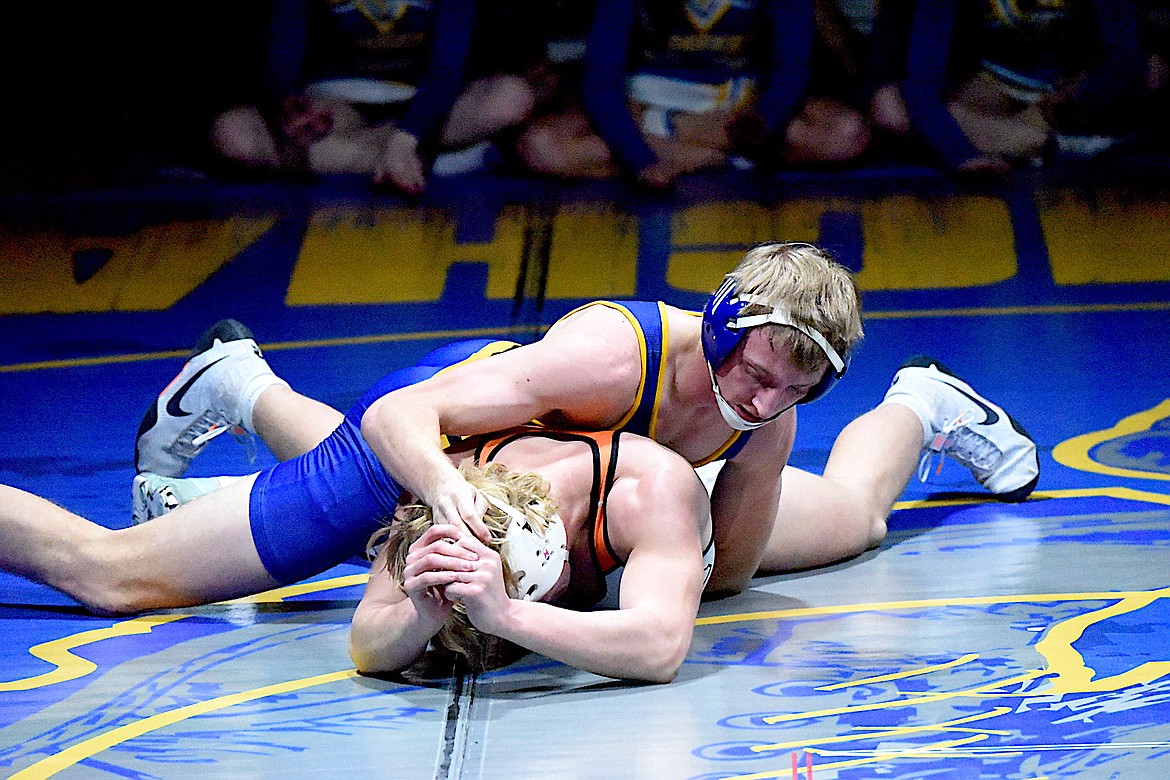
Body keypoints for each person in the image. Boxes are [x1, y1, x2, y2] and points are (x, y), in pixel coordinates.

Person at [135, 242, 1040, 597]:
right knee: (420, 509)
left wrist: (654, 552)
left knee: (852, 519)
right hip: (475, 426)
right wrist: (457, 497)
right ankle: (246, 407)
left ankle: (921, 403)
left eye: (792, 393)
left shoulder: (769, 410)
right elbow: (403, 420)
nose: (763, 402)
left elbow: (727, 580)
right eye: (757, 375)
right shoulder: (615, 356)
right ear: (723, 327)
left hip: (615, 469)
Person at [0, 329, 712, 682]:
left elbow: (658, 643)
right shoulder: (449, 511)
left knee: (825, 521)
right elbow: (370, 642)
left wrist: (506, 613)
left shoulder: (652, 487)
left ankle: (239, 387)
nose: (487, 632)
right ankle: (219, 488)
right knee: (110, 575)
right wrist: (428, 605)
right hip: (413, 434)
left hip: (477, 418)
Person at [515, 0, 870, 187]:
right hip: (647, 101)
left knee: (845, 135)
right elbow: (601, 80)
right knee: (542, 146)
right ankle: (722, 160)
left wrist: (763, 120)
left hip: (740, 105)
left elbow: (793, 67)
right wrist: (641, 160)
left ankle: (683, 150)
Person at [209, 0, 536, 193]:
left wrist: (409, 135)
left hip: (431, 103)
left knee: (511, 97)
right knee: (234, 135)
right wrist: (291, 106)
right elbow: (282, 57)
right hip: (337, 106)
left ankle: (383, 158)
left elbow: (448, 68)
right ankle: (429, 161)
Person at [873, 0, 1155, 175]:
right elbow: (922, 80)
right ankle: (1050, 144)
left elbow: (1125, 54)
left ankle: (1029, 142)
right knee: (894, 109)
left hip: (1071, 89)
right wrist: (960, 153)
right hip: (990, 86)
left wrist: (1084, 95)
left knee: (1155, 71)